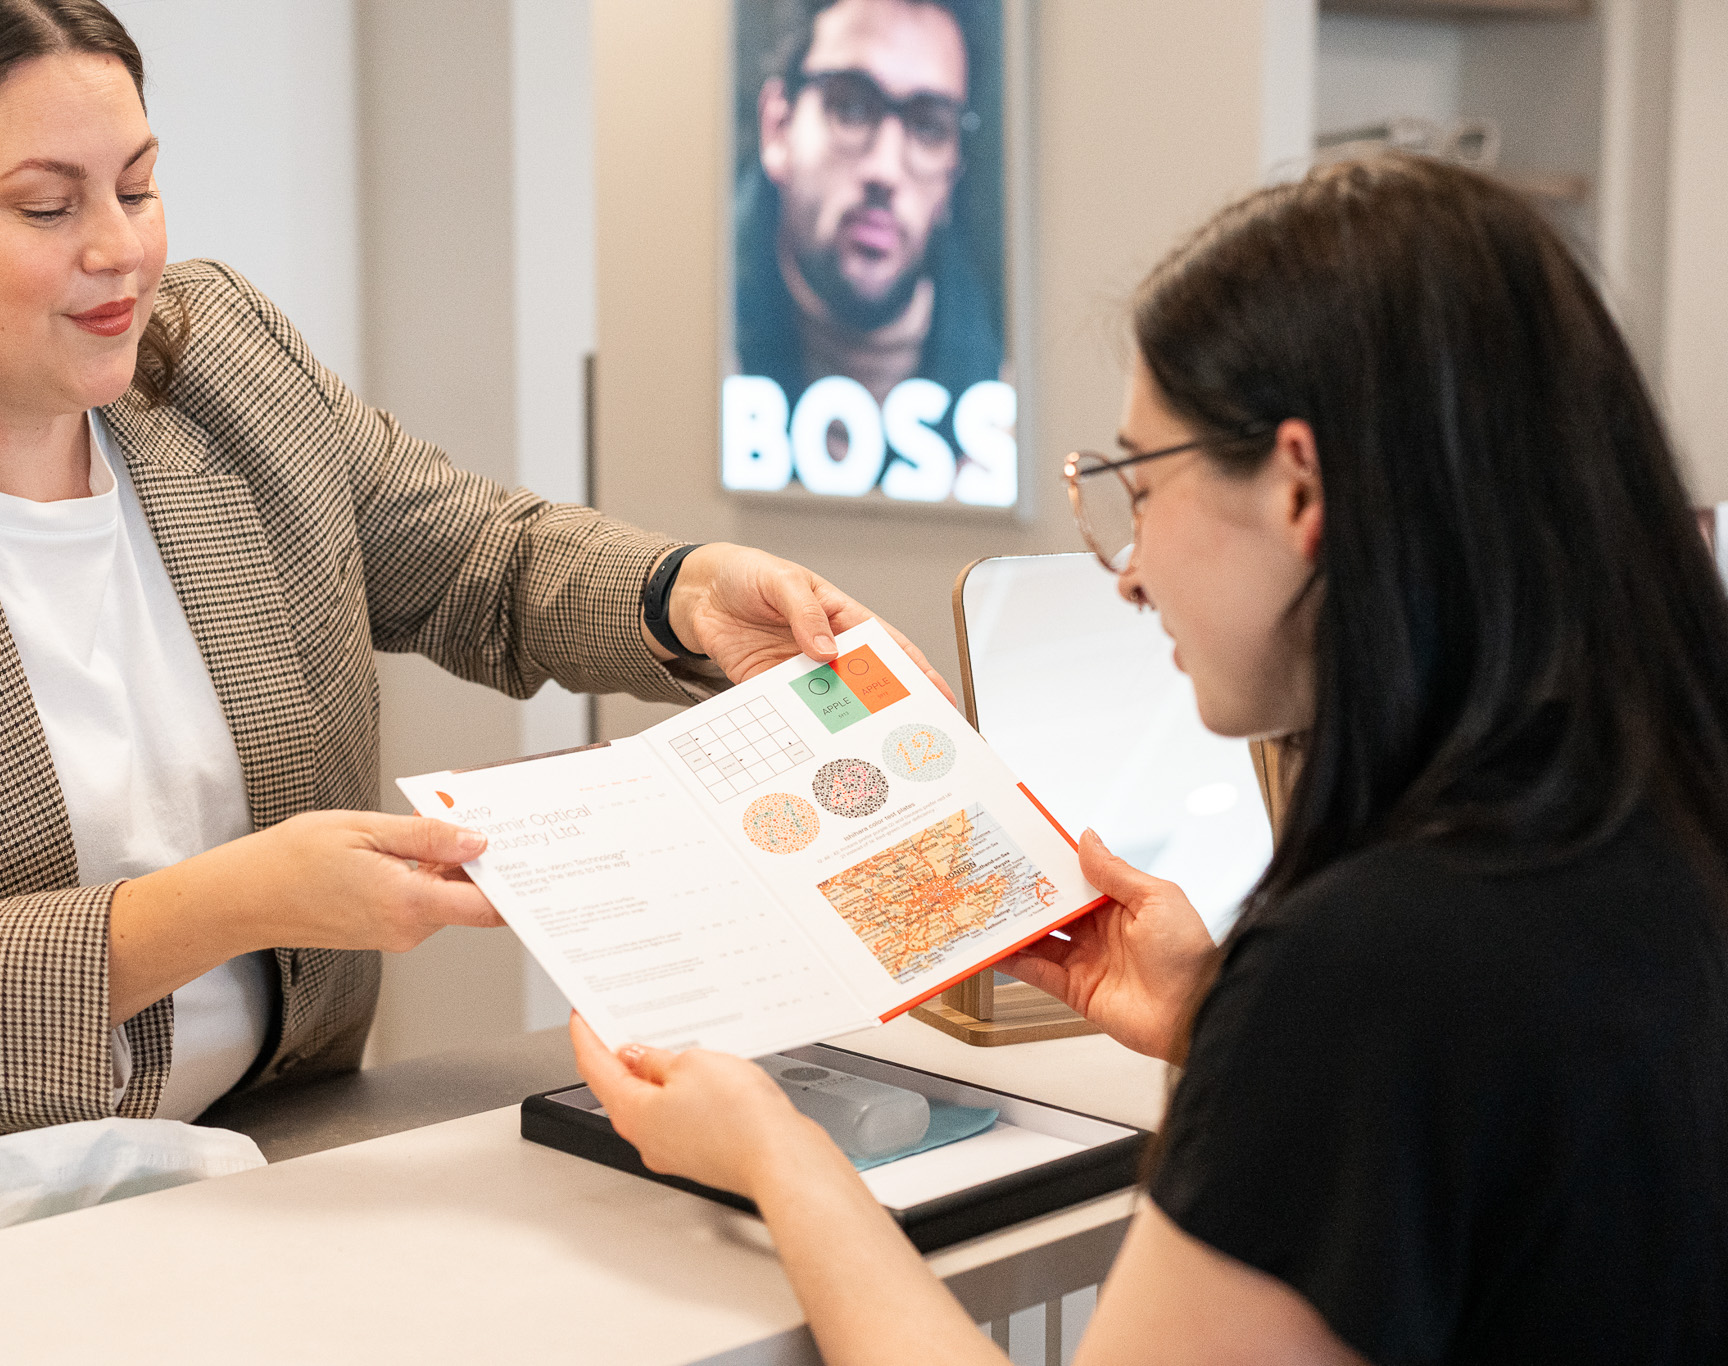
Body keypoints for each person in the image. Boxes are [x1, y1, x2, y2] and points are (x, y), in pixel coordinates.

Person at [0, 0, 950, 1250]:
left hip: (268, 1166)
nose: (121, 251)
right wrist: (229, 903)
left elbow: (479, 562)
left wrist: (678, 592)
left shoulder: (216, 358)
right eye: (46, 206)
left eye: (136, 185)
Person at [579, 154, 1728, 1364]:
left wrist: (779, 1155)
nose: (1126, 570)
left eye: (1139, 483)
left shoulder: (1378, 962)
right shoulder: (1653, 824)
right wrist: (1215, 1020)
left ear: (1297, 489)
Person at [734, 0, 1001, 432]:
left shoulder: (1005, 394)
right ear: (778, 127)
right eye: (851, 108)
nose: (885, 170)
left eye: (929, 127)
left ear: (955, 171)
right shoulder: (687, 347)